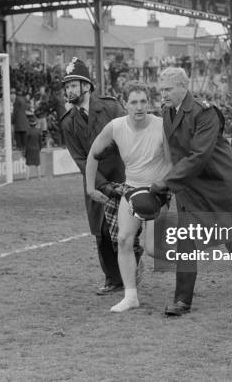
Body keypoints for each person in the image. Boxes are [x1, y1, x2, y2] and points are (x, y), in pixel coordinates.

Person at [151, 67, 232, 317]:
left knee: (230, 231)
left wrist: (166, 183)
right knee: (185, 239)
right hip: (189, 185)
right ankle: (182, 299)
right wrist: (168, 184)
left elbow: (199, 155)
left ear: (183, 87)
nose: (162, 94)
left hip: (218, 181)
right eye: (161, 89)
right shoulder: (167, 112)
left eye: (168, 89)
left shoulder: (205, 112)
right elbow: (174, 153)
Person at [85, 81, 172, 312]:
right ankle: (131, 296)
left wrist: (169, 189)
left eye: (143, 101)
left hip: (157, 192)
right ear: (125, 104)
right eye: (134, 102)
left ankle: (187, 263)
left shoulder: (161, 126)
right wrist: (90, 188)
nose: (139, 107)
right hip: (130, 190)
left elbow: (173, 163)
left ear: (149, 103)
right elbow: (92, 155)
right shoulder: (115, 127)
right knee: (123, 240)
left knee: (154, 249)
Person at [60, 57, 142, 295]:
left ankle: (134, 267)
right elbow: (81, 159)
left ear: (86, 86)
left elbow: (130, 134)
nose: (69, 90)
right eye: (67, 86)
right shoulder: (68, 122)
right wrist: (102, 186)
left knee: (129, 230)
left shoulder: (110, 107)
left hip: (124, 175)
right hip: (96, 183)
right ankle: (113, 279)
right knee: (102, 231)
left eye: (73, 85)